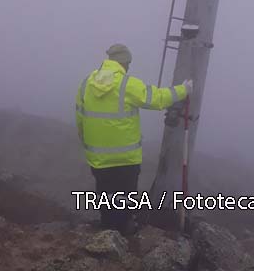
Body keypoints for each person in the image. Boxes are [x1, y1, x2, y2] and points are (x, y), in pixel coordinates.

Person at [75, 43, 191, 235]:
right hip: (126, 159)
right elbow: (158, 99)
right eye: (128, 63)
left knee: (106, 196)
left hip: (98, 159)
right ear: (124, 62)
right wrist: (183, 90)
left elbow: (80, 119)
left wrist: (89, 145)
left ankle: (107, 232)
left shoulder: (86, 83)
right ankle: (122, 236)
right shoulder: (127, 84)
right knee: (126, 198)